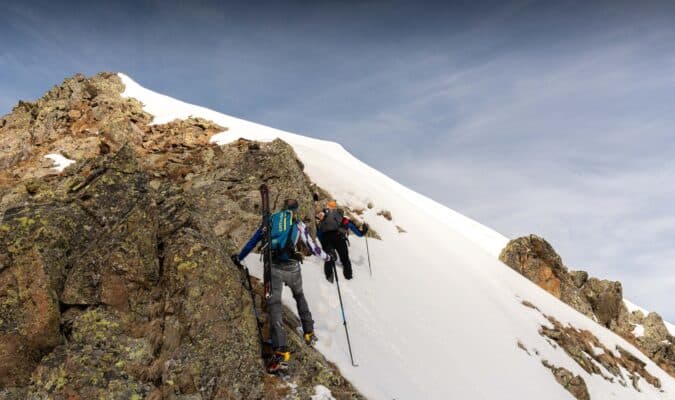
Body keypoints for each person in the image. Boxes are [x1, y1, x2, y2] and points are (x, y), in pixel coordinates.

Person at [231, 198, 331, 374]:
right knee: (299, 295)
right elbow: (313, 247)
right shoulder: (297, 223)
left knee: (275, 305)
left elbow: (253, 241)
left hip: (274, 267)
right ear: (295, 209)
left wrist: (239, 257)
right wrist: (328, 257)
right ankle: (309, 331)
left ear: (283, 208)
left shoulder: (270, 220)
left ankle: (281, 351)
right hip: (293, 267)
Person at [316, 200, 369, 282]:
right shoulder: (343, 219)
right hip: (339, 238)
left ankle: (328, 278)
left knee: (329, 257)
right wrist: (364, 231)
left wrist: (323, 242)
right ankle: (348, 276)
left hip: (326, 238)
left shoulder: (322, 219)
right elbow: (357, 232)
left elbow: (319, 233)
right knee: (345, 258)